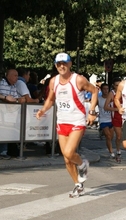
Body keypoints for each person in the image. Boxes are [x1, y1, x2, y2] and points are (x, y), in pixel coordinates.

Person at [36, 52, 98, 198]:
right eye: (59, 64)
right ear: (55, 65)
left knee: (69, 152)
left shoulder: (79, 79)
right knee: (66, 158)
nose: (62, 66)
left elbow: (94, 91)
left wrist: (92, 111)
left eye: (64, 63)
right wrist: (43, 110)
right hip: (62, 121)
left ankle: (83, 165)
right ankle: (78, 185)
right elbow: (51, 99)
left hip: (77, 121)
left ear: (70, 64)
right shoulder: (53, 81)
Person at [0, 69, 26, 159]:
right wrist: (17, 100)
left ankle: (3, 152)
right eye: (15, 76)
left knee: (5, 132)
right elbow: (8, 99)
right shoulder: (3, 84)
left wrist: (17, 99)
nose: (17, 78)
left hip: (6, 115)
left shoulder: (13, 85)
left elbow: (14, 98)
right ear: (9, 76)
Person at [104, 77, 123, 163]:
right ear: (114, 86)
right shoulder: (112, 93)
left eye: (119, 85)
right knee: (118, 136)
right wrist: (116, 109)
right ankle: (118, 151)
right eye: (116, 85)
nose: (118, 87)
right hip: (116, 117)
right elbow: (106, 106)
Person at [97, 83, 115, 158]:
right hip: (103, 120)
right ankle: (111, 152)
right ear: (101, 90)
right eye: (104, 89)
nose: (106, 90)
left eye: (107, 89)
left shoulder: (112, 98)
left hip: (111, 119)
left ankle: (109, 146)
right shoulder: (99, 99)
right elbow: (93, 106)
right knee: (108, 136)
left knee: (111, 137)